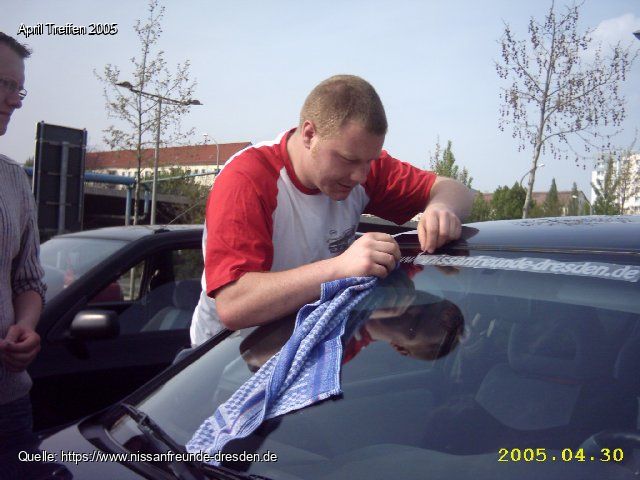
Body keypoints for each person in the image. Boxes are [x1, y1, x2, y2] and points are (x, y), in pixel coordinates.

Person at [191, 74, 474, 346]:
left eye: (370, 160)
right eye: (348, 160)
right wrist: (340, 268)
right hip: (227, 357)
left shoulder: (361, 164)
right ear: (309, 134)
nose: (361, 176)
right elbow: (234, 305)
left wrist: (442, 208)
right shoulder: (247, 179)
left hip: (310, 340)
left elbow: (455, 190)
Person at [0, 32, 46, 451]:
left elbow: (28, 281)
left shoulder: (15, 179)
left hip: (8, 401)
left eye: (19, 88)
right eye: (4, 84)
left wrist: (26, 328)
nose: (15, 101)